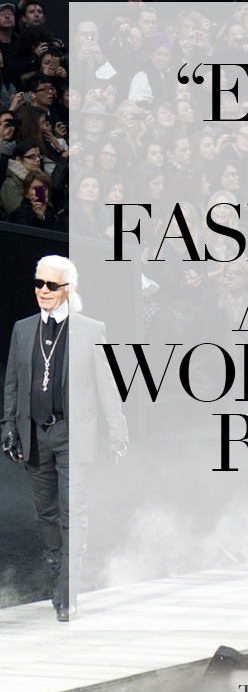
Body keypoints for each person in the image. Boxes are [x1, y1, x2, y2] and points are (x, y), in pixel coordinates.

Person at [1, 256, 128, 621]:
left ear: (68, 289)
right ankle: (59, 578)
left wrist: (118, 431)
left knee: (75, 513)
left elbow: (107, 385)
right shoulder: (23, 329)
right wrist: (8, 426)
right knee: (46, 514)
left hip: (72, 433)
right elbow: (13, 382)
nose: (43, 290)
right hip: (34, 433)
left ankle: (67, 591)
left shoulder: (89, 329)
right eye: (38, 283)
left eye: (51, 285)